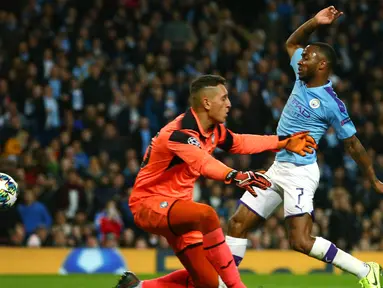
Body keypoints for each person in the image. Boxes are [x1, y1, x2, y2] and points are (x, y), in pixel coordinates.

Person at [225, 6, 383, 288]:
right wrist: (315, 22)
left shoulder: (332, 102)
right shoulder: (302, 77)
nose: (300, 61)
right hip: (278, 167)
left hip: (301, 173)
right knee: (238, 223)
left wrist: (372, 178)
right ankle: (226, 285)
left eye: (307, 58)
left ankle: (365, 270)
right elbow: (292, 43)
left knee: (299, 241)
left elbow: (354, 145)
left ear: (321, 65)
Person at [115, 74, 316, 288]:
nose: (229, 104)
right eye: (224, 98)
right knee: (207, 215)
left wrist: (282, 142)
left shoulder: (214, 131)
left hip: (181, 210)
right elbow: (204, 163)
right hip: (150, 204)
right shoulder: (178, 134)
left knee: (206, 283)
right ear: (206, 102)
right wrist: (237, 176)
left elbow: (239, 142)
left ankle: (136, 287)